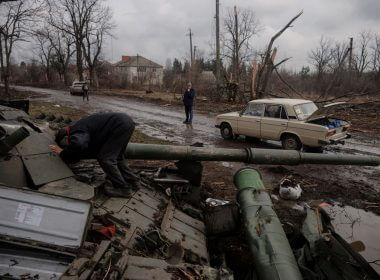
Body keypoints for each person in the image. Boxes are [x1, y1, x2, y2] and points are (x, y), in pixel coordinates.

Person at [50, 112, 139, 198]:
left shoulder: (76, 130)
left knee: (105, 159)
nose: (66, 146)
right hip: (125, 122)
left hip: (119, 124)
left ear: (66, 137)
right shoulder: (80, 125)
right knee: (118, 157)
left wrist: (62, 152)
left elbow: (78, 144)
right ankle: (133, 181)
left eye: (65, 144)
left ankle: (123, 189)